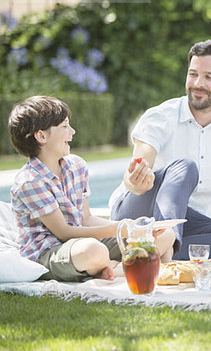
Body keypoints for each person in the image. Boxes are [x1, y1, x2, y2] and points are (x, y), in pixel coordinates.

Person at [109, 40, 211, 260]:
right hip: (140, 211)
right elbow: (139, 168)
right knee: (185, 167)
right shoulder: (160, 116)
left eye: (209, 77)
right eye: (193, 74)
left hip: (190, 221)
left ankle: (153, 252)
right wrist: (137, 179)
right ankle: (164, 245)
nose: (197, 83)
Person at [8, 96, 175, 282]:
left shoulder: (76, 166)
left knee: (166, 235)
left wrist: (134, 229)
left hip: (83, 241)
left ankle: (112, 269)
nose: (72, 132)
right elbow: (64, 232)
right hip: (48, 252)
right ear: (41, 136)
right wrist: (121, 228)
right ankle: (115, 266)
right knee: (93, 251)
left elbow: (86, 218)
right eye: (64, 127)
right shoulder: (30, 182)